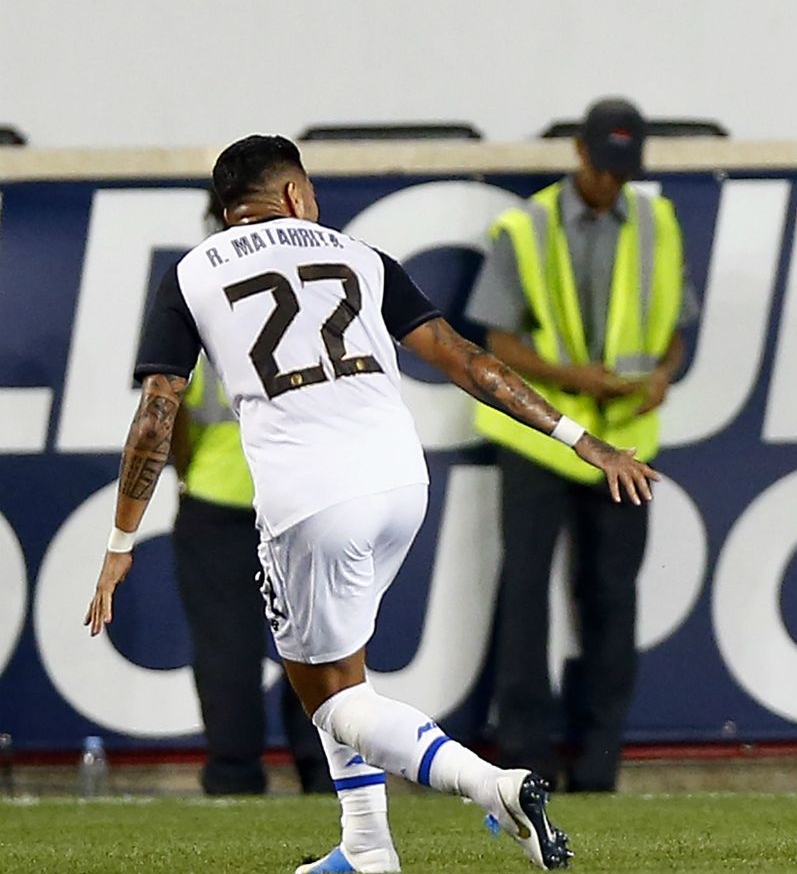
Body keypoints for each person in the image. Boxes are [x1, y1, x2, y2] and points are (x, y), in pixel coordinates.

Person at [87, 134, 661, 872]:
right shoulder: (358, 255)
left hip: (311, 499)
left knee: (324, 695)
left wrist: (119, 541)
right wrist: (582, 439)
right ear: (294, 194)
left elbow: (157, 412)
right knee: (342, 666)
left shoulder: (193, 272)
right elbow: (468, 360)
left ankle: (495, 786)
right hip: (399, 483)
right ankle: (366, 844)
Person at [466, 96, 688, 792]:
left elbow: (678, 324)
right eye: (603, 169)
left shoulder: (658, 221)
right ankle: (526, 757)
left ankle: (599, 762)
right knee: (526, 594)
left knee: (612, 598)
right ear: (579, 155)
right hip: (541, 438)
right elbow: (496, 342)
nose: (611, 184)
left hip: (626, 436)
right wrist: (574, 379)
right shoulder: (523, 227)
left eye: (625, 171)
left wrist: (662, 376)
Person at [170, 338, 330, 797]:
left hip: (216, 494)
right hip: (301, 499)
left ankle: (233, 777)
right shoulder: (308, 319)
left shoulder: (201, 315)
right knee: (319, 644)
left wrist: (187, 474)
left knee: (226, 650)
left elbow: (168, 407)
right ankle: (324, 775)